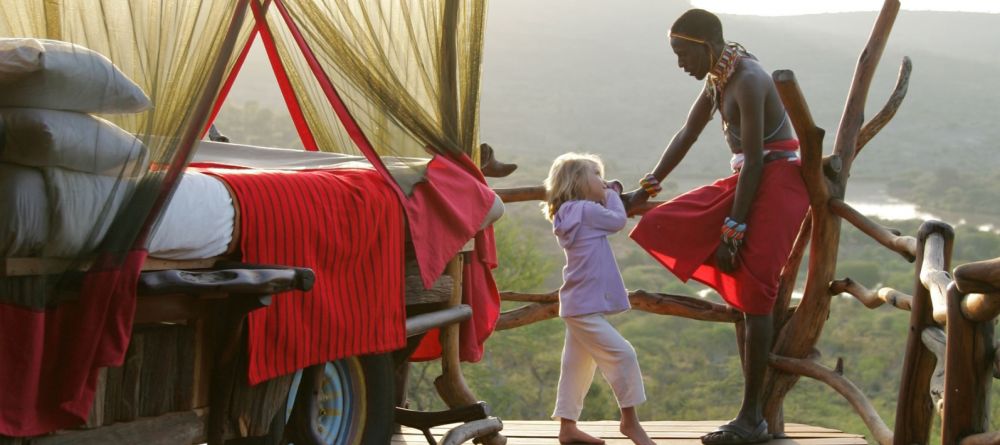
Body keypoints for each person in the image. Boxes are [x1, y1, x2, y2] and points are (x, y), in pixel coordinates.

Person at [624, 9, 810, 445]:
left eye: (682, 54)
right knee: (663, 221)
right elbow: (687, 133)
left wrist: (732, 230)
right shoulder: (719, 78)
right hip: (749, 179)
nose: (680, 64)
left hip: (777, 182)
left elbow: (758, 160)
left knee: (757, 294)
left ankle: (752, 418)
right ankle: (751, 413)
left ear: (706, 46)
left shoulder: (747, 78)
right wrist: (644, 189)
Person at [543, 153, 655, 445]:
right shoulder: (586, 210)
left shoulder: (569, 211)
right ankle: (630, 422)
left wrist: (604, 191)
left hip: (579, 302)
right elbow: (617, 220)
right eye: (596, 175)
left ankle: (567, 428)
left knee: (576, 366)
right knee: (624, 354)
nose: (602, 181)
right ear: (578, 181)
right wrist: (612, 193)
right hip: (583, 306)